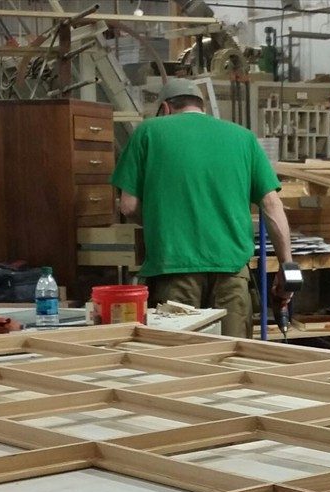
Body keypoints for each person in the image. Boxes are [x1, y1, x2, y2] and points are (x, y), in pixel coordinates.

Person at [111, 78, 294, 338]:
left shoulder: (148, 132)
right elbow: (272, 205)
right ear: (202, 107)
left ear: (165, 108)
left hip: (173, 269)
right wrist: (287, 265)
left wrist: (161, 217)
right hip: (231, 270)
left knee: (181, 363)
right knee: (233, 358)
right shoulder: (243, 138)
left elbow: (128, 206)